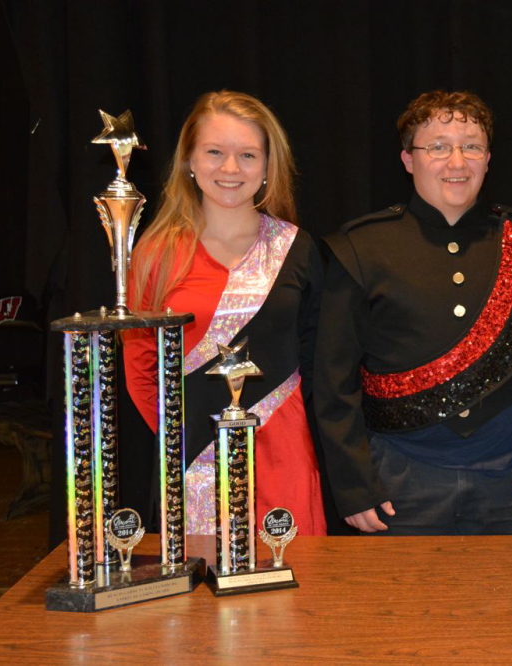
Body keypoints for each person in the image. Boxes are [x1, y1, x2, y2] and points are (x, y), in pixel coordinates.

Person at [315, 90, 512, 535]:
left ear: (488, 158)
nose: (457, 161)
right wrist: (354, 484)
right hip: (396, 483)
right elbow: (333, 382)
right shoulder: (361, 248)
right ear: (407, 159)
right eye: (437, 146)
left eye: (471, 146)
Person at [124, 90, 327, 535]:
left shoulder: (298, 247)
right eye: (215, 152)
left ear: (268, 166)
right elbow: (141, 370)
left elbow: (319, 362)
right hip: (194, 460)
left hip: (284, 455)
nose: (230, 169)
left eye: (247, 155)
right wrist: (186, 439)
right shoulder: (155, 254)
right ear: (189, 161)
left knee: (299, 592)